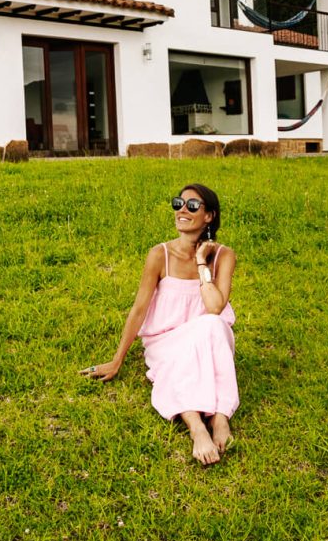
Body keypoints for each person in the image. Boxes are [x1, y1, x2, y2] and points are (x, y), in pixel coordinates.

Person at [81, 184, 239, 466]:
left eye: (192, 206)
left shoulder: (224, 256)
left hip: (211, 338)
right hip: (167, 341)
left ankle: (221, 417)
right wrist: (117, 360)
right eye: (179, 203)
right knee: (187, 353)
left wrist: (202, 261)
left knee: (212, 324)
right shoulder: (159, 255)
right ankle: (196, 427)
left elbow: (215, 306)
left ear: (209, 216)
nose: (182, 209)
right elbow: (139, 309)